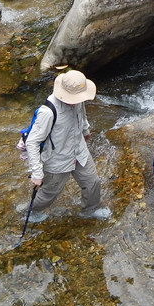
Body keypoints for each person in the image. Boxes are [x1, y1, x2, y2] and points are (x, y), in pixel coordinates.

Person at [24, 70, 109, 222]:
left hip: (79, 150)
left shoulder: (78, 100)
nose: (79, 100)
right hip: (57, 160)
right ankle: (30, 212)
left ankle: (90, 210)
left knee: (93, 183)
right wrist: (37, 173)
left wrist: (85, 131)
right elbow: (32, 141)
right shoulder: (48, 112)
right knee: (49, 194)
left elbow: (82, 116)